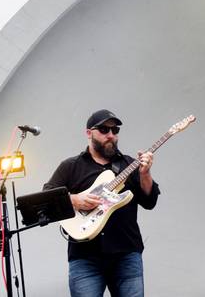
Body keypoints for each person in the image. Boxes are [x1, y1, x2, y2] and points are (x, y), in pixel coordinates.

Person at [44, 109, 160, 297]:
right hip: (85, 257)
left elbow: (150, 201)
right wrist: (74, 200)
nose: (111, 135)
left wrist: (145, 174)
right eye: (104, 130)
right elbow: (47, 198)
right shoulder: (71, 166)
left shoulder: (130, 164)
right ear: (89, 133)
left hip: (126, 253)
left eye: (115, 130)